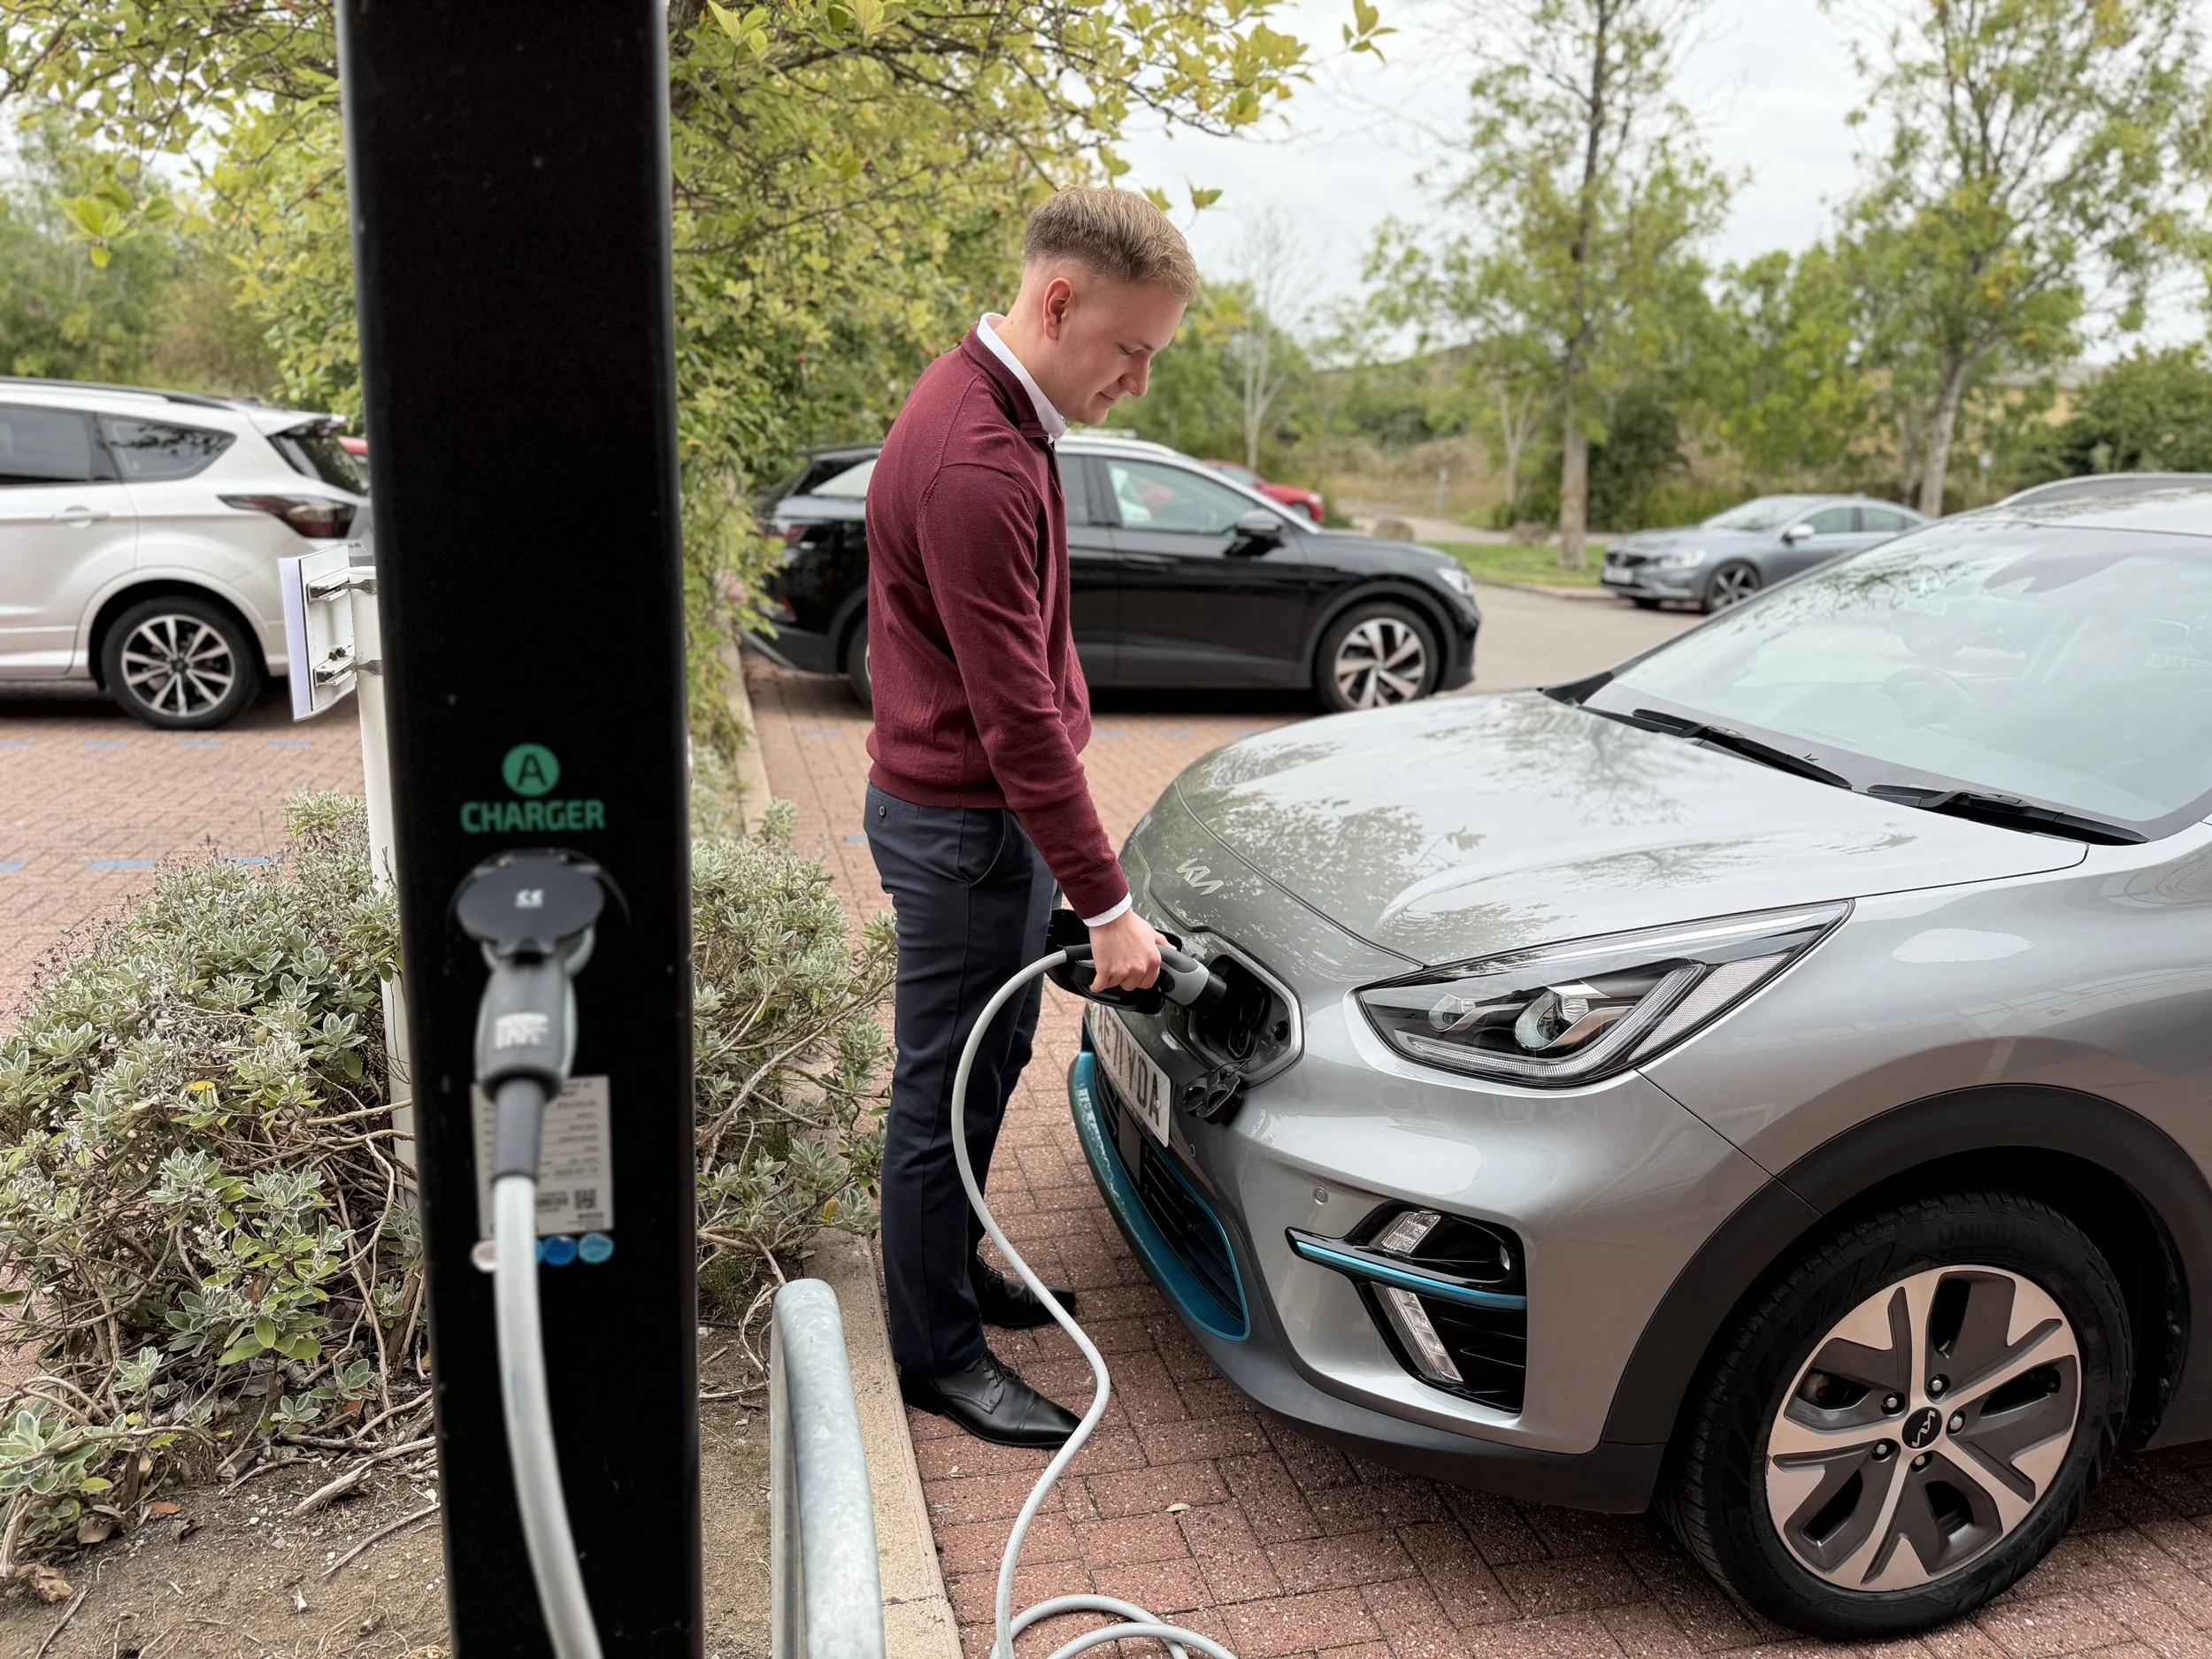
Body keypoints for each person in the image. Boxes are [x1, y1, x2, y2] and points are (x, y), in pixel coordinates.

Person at [864, 188, 1197, 1447]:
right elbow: (1013, 726)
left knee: (985, 1064)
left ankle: (953, 1274)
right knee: (939, 1084)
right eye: (1132, 349)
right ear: (1061, 300)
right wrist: (1109, 907)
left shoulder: (1005, 416)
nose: (1138, 380)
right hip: (960, 825)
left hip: (975, 820)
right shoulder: (975, 457)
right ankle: (935, 1353)